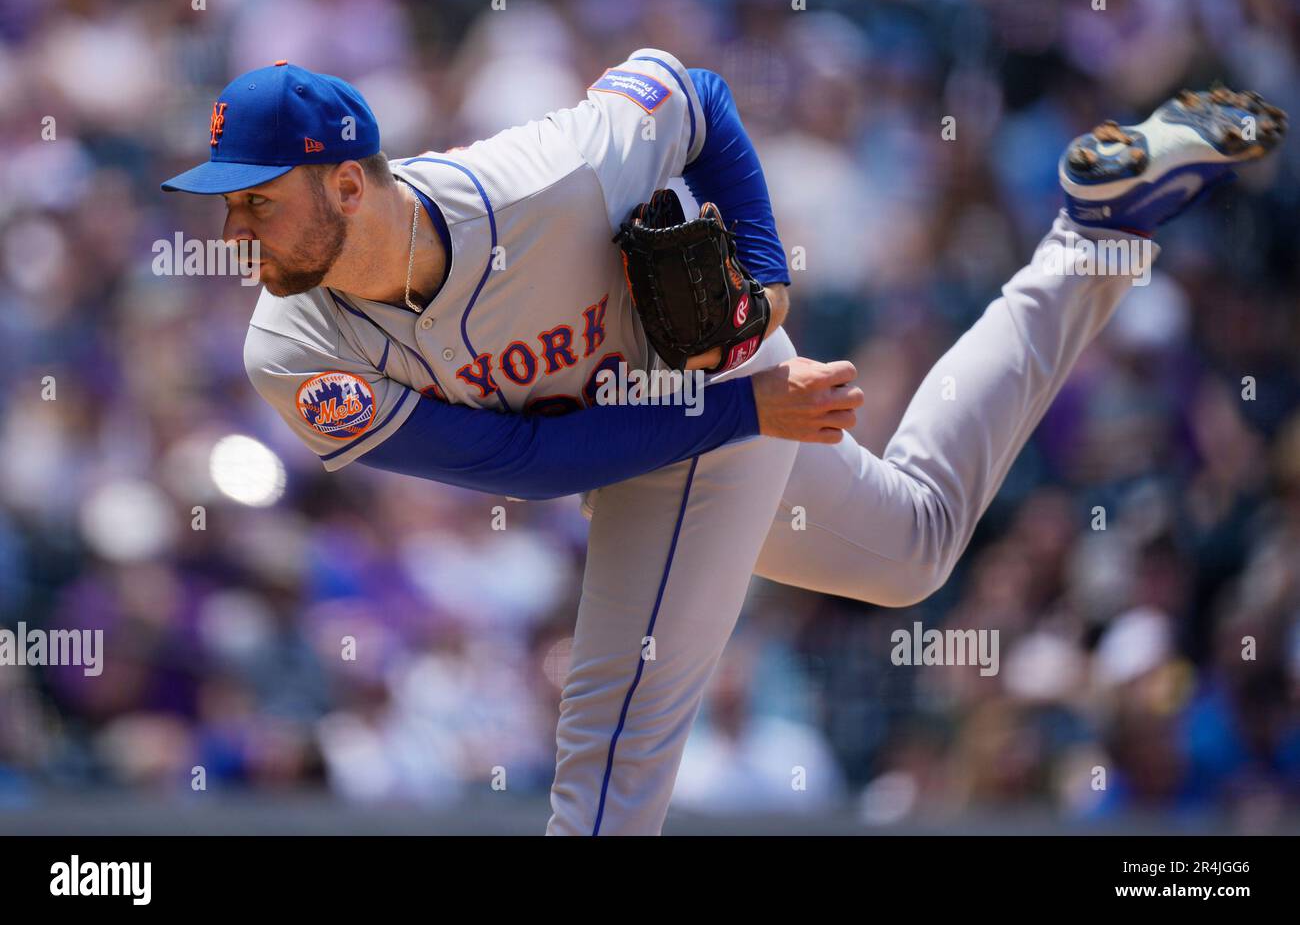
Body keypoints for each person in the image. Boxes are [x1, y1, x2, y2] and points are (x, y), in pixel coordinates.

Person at [162, 55, 1285, 834]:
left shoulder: (544, 176)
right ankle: (1094, 236)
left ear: (347, 183)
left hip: (706, 375)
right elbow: (517, 467)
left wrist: (765, 271)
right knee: (913, 545)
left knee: (609, 754)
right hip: (689, 419)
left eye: (254, 200)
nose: (232, 229)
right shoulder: (291, 343)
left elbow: (693, 96)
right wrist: (749, 412)